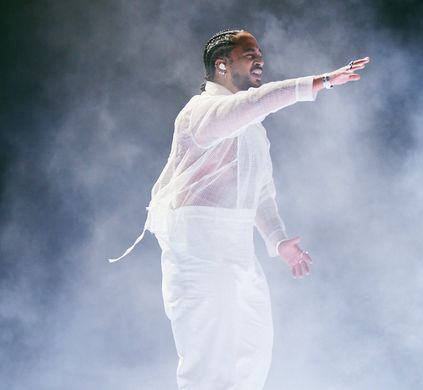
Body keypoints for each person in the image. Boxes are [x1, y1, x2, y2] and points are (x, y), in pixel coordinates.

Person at [110, 28, 369, 390]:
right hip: (198, 248)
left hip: (236, 247)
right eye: (250, 54)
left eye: (260, 53)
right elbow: (257, 102)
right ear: (222, 65)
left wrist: (278, 240)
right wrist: (321, 81)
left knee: (252, 353)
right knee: (207, 363)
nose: (260, 60)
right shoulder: (200, 111)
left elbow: (259, 193)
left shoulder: (253, 131)